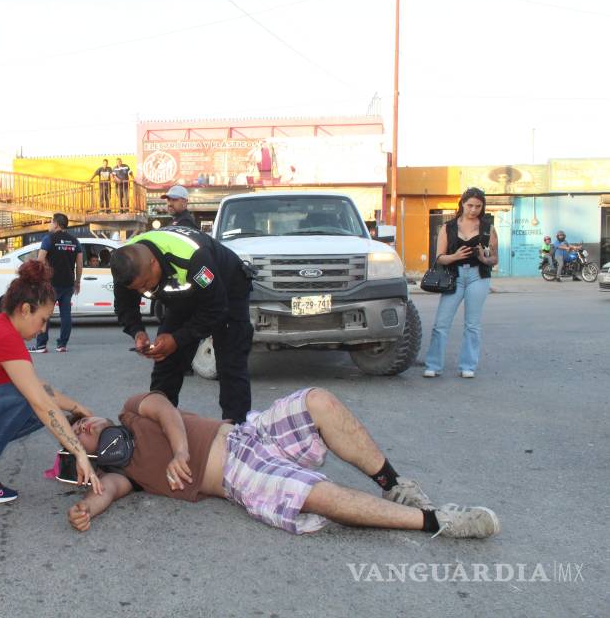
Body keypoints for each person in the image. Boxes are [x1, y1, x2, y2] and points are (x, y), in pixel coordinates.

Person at [64, 388, 500, 539]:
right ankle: (434, 520)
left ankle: (393, 482)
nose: (86, 428)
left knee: (318, 401)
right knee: (316, 495)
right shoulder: (120, 472)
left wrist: (180, 451)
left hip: (249, 433)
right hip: (239, 474)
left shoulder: (129, 410)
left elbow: (165, 409)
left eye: (84, 421)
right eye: (78, 434)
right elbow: (109, 492)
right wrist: (88, 507)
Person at [0, 260, 103, 503]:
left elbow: (39, 388)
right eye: (43, 320)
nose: (43, 329)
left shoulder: (1, 328)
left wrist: (75, 407)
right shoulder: (4, 337)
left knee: (31, 404)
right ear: (25, 309)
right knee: (29, 401)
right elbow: (39, 400)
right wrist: (80, 454)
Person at [111, 225, 254, 423]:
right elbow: (125, 305)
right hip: (185, 296)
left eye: (145, 284)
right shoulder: (126, 265)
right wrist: (137, 332)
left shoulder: (193, 257)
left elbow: (216, 308)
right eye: (138, 288)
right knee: (165, 361)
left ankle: (237, 430)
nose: (143, 290)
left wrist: (178, 339)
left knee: (230, 363)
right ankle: (158, 424)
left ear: (153, 264)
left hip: (227, 291)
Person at [423, 187, 498, 379]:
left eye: (478, 206)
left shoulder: (488, 228)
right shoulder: (448, 227)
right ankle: (433, 365)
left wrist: (484, 258)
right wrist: (455, 256)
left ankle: (468, 366)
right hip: (453, 276)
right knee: (441, 323)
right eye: (470, 205)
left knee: (472, 324)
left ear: (482, 207)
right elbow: (439, 258)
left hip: (478, 276)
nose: (473, 210)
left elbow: (494, 259)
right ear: (462, 204)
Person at [30, 213, 82, 353]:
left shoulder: (49, 239)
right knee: (66, 314)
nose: (49, 224)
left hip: (50, 284)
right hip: (68, 284)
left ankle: (41, 345)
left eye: (51, 222)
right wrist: (77, 282)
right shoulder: (75, 241)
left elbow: (39, 262)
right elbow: (79, 264)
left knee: (44, 313)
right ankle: (62, 345)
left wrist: (37, 280)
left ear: (57, 224)